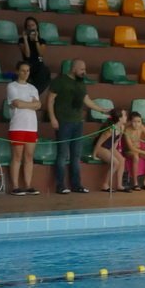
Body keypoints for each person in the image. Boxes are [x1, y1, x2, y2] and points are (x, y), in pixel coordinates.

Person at [45, 59, 106, 195]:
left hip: (78, 122)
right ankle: (60, 185)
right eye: (82, 69)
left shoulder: (81, 82)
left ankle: (76, 184)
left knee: (76, 155)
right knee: (62, 154)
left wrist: (101, 109)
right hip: (63, 122)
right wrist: (53, 118)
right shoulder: (60, 81)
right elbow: (49, 100)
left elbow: (86, 100)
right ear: (74, 68)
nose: (84, 72)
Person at [6, 61, 41, 196]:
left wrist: (24, 104)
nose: (26, 73)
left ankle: (28, 185)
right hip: (17, 126)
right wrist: (30, 104)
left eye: (28, 71)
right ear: (17, 71)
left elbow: (38, 105)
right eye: (23, 70)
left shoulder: (33, 88)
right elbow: (16, 103)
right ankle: (15, 185)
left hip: (32, 126)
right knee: (17, 156)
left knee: (29, 156)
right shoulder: (11, 86)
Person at [93, 109, 127, 193]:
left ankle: (119, 185)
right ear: (119, 118)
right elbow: (99, 143)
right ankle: (105, 185)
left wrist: (114, 152)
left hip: (110, 147)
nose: (126, 117)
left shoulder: (122, 127)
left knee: (122, 160)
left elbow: (116, 141)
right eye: (125, 115)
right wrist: (94, 154)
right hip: (101, 148)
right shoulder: (110, 130)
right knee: (115, 163)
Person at [122, 110, 145, 191]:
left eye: (139, 121)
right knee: (135, 156)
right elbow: (131, 148)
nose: (137, 124)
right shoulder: (127, 130)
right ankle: (135, 183)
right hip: (129, 151)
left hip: (139, 149)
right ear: (130, 121)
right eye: (134, 121)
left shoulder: (141, 127)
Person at [17, 16, 51, 94]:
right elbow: (27, 55)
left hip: (39, 62)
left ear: (36, 27)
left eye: (33, 25)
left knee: (45, 71)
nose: (31, 27)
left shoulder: (41, 41)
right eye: (28, 26)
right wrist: (25, 39)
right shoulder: (21, 40)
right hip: (28, 63)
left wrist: (36, 40)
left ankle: (36, 93)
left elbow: (41, 54)